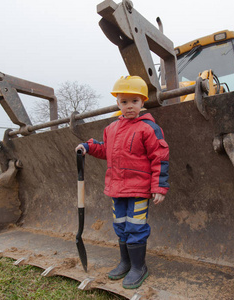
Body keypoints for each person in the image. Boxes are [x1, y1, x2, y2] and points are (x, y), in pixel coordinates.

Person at [75, 75, 169, 289]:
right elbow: (105, 149)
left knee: (136, 226)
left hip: (138, 189)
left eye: (134, 101)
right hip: (117, 189)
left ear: (142, 103)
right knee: (120, 226)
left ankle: (138, 266)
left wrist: (159, 187)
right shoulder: (111, 129)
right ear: (117, 103)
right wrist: (87, 147)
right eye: (124, 101)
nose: (129, 106)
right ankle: (125, 262)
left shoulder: (148, 128)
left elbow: (160, 157)